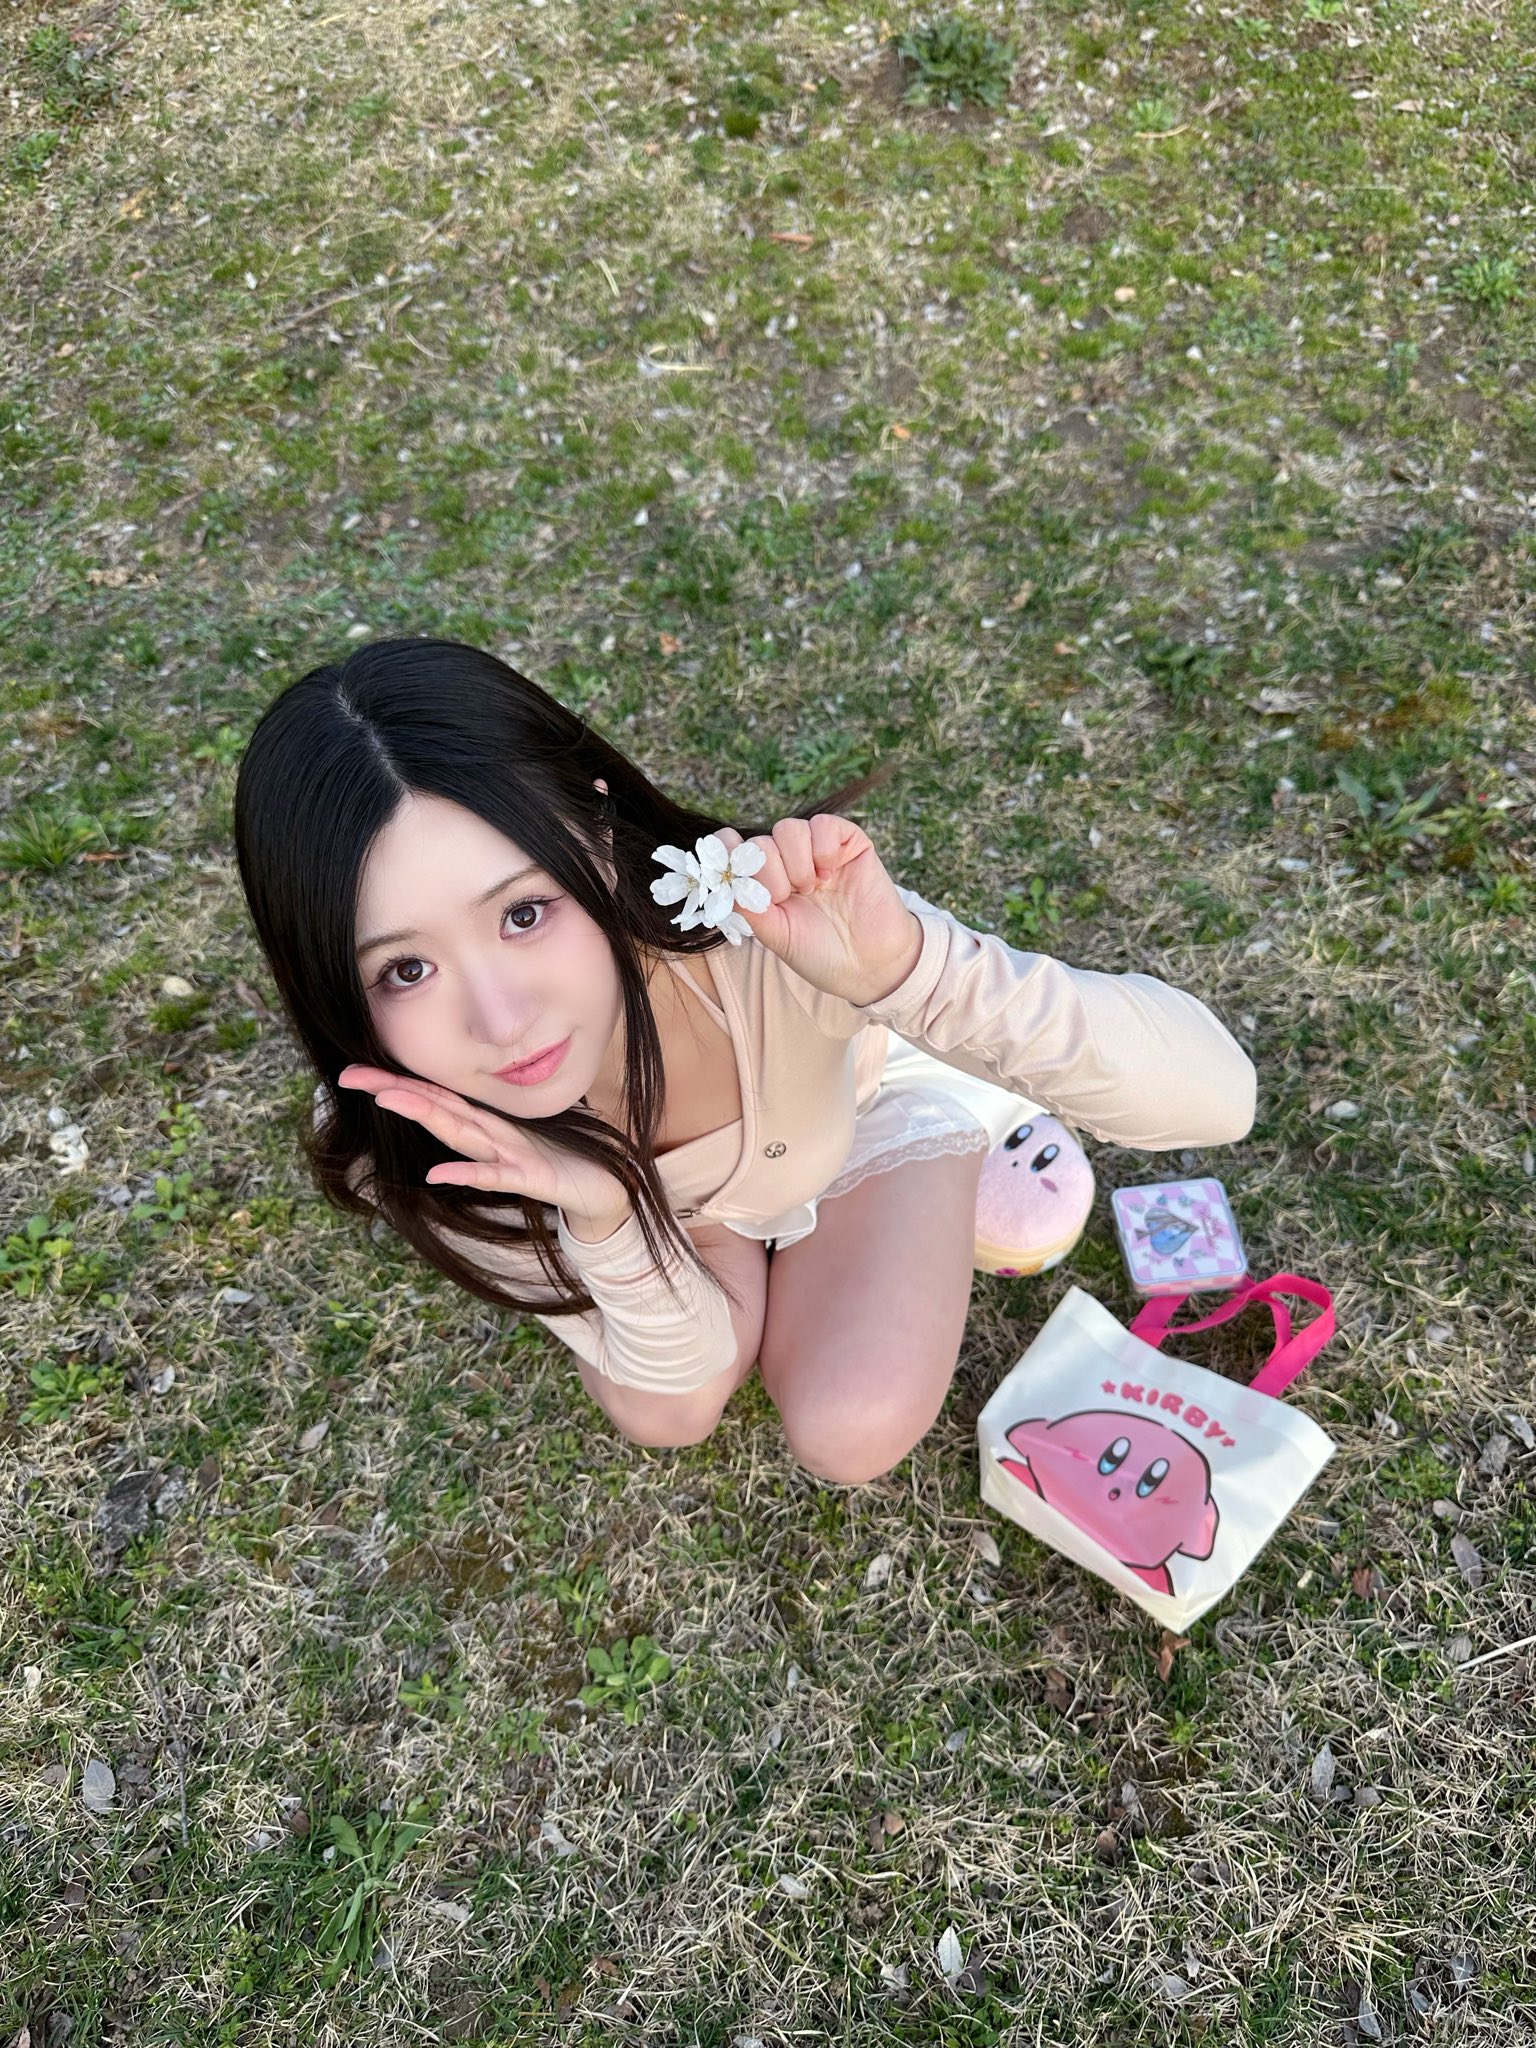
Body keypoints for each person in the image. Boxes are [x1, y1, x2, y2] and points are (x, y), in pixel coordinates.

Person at [233, 638, 1256, 1486]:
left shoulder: (768, 938)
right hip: (691, 1214)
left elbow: (1219, 1099)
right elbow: (681, 1376)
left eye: (525, 911)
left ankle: (970, 1118)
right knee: (664, 1411)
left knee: (850, 1430)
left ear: (598, 831)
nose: (501, 1022)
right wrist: (608, 1215)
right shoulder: (424, 1136)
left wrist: (916, 976)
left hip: (854, 1102)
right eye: (406, 968)